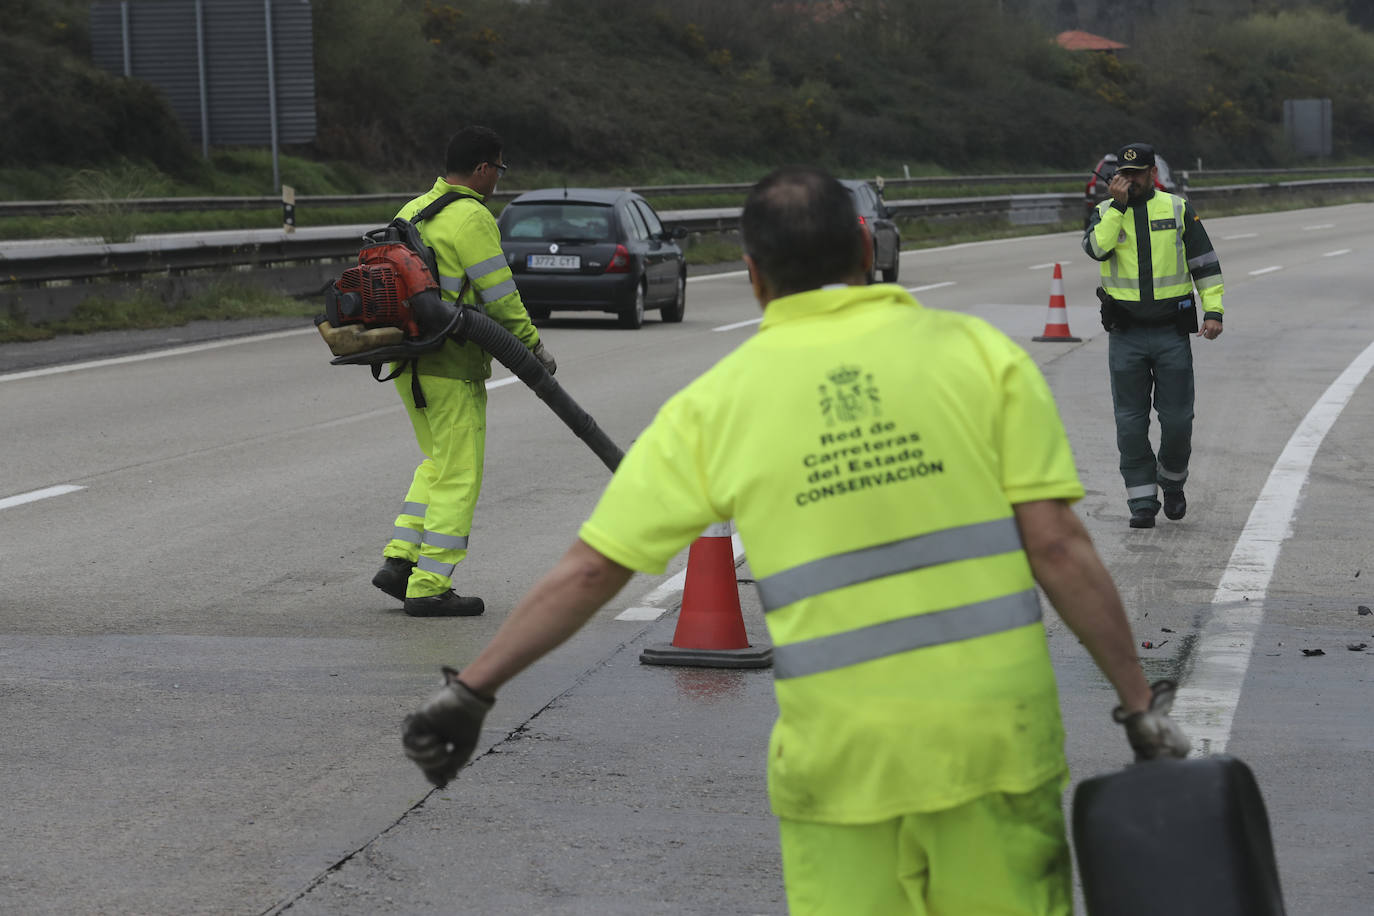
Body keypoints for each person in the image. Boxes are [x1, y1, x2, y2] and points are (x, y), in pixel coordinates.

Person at [402, 165, 1190, 914]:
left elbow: (590, 571)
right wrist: (1138, 704)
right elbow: (1058, 548)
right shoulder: (980, 358)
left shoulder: (717, 403)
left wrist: (471, 692)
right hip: (994, 748)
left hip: (841, 766)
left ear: (752, 274)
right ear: (862, 246)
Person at [371, 126, 557, 617]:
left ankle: (400, 560)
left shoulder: (412, 209)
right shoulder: (471, 217)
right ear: (481, 169)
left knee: (437, 461)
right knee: (460, 473)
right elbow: (500, 296)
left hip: (407, 358)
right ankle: (430, 585)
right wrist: (533, 347)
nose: (498, 177)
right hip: (451, 364)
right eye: (498, 168)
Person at [1083, 141, 1225, 529]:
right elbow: (1096, 250)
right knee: (1130, 423)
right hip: (1125, 334)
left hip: (1170, 333)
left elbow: (1205, 265)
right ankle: (1142, 501)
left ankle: (1173, 481)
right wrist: (1116, 208)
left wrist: (1213, 311)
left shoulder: (1177, 209)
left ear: (1151, 174)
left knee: (1178, 420)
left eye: (1137, 173)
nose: (1130, 180)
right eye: (1124, 174)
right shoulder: (1104, 212)